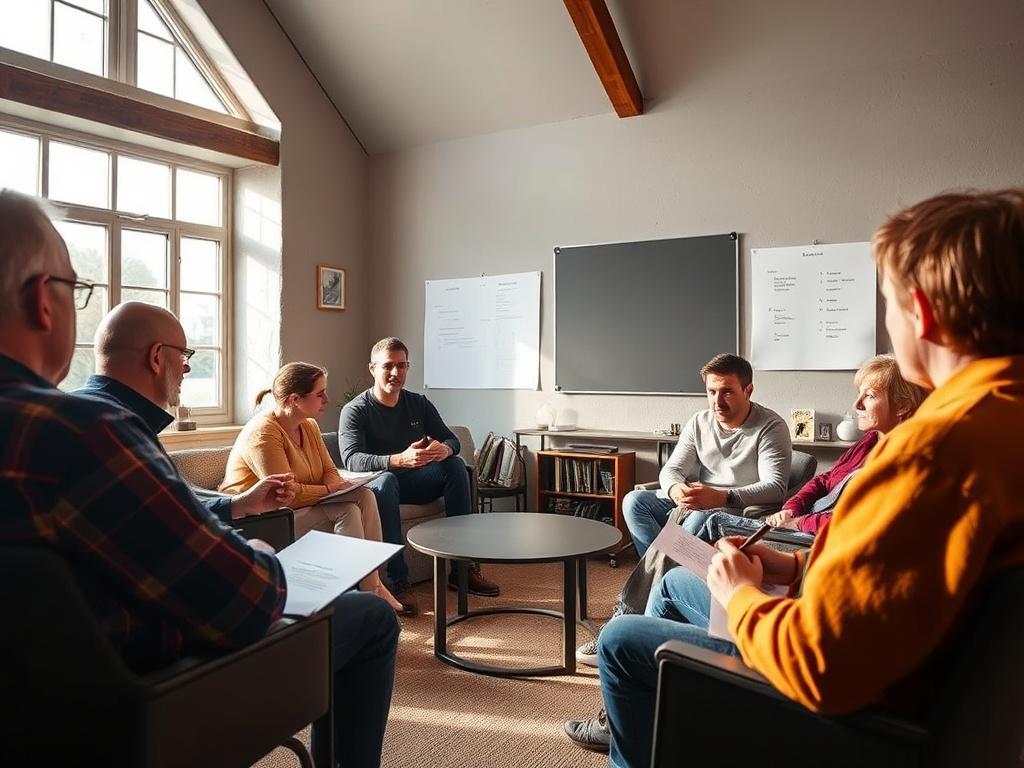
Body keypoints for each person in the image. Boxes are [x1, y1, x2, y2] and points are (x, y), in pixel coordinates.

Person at [572, 188, 1024, 768]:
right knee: (663, 528)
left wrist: (740, 594)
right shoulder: (997, 422)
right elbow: (906, 570)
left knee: (622, 641)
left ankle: (652, 708)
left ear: (922, 312)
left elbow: (819, 663)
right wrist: (790, 565)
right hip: (908, 680)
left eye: (886, 303)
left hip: (855, 719)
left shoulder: (929, 454)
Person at [0, 189, 397, 767]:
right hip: (143, 700)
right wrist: (259, 552)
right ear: (43, 301)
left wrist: (229, 513)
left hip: (35, 708)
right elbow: (243, 601)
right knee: (371, 619)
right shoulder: (82, 433)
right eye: (74, 289)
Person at [574, 353, 791, 667]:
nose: (718, 400)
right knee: (635, 502)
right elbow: (671, 470)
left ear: (748, 390)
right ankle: (662, 587)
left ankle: (630, 614)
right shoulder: (700, 422)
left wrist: (721, 497)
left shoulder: (771, 426)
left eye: (727, 391)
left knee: (696, 521)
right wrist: (676, 490)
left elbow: (775, 488)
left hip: (735, 512)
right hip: (695, 506)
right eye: (711, 391)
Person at [75, 300, 297, 523]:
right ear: (156, 357)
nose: (187, 367)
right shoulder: (121, 430)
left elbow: (169, 508)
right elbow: (175, 529)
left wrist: (240, 504)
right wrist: (261, 555)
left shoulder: (80, 411)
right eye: (183, 355)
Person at [221, 362, 409, 614]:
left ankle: (373, 585)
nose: (327, 399)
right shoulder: (264, 433)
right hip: (263, 518)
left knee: (364, 495)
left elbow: (329, 470)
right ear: (295, 399)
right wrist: (329, 492)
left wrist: (336, 485)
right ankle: (354, 595)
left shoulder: (308, 425)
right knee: (348, 511)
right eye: (320, 393)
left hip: (302, 506)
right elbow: (284, 496)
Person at [684, 354, 926, 543]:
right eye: (858, 393)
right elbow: (823, 481)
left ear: (903, 405)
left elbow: (854, 525)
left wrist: (799, 522)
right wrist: (791, 509)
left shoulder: (905, 462)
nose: (857, 404)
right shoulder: (870, 442)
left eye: (870, 396)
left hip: (813, 540)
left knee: (708, 521)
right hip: (799, 523)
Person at [339, 336, 500, 606]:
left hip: (414, 480)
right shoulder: (355, 410)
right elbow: (352, 459)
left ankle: (462, 570)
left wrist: (445, 450)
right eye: (388, 366)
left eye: (401, 366)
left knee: (455, 466)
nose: (395, 373)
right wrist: (398, 459)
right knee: (388, 480)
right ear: (372, 368)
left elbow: (452, 440)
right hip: (379, 485)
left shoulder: (418, 403)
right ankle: (396, 580)